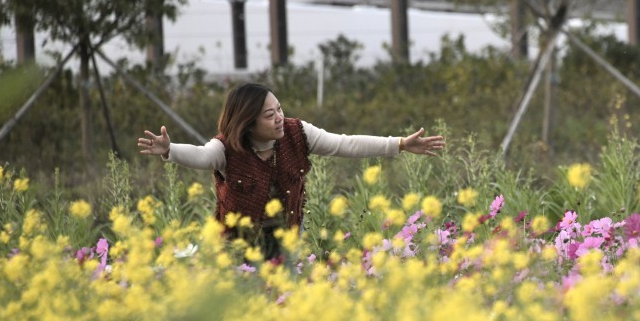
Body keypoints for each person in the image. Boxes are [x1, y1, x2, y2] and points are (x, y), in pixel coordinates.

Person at [138, 82, 444, 260]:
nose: (280, 118)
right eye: (270, 115)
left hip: (286, 245)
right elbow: (202, 157)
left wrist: (400, 144)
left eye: (280, 109)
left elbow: (345, 144)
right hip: (236, 252)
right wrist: (169, 149)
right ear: (248, 122)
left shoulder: (298, 134)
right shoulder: (227, 150)